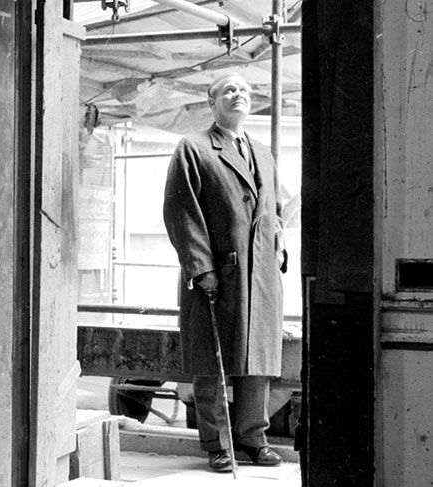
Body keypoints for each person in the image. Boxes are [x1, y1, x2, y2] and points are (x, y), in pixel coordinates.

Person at [162, 72, 287, 472]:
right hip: (218, 273)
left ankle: (253, 437)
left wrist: (279, 248)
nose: (239, 95)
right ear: (212, 101)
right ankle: (217, 444)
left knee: (257, 359)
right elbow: (181, 213)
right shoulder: (194, 149)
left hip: (261, 274)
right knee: (211, 358)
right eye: (229, 90)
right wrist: (201, 268)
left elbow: (274, 211)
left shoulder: (263, 152)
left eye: (245, 90)